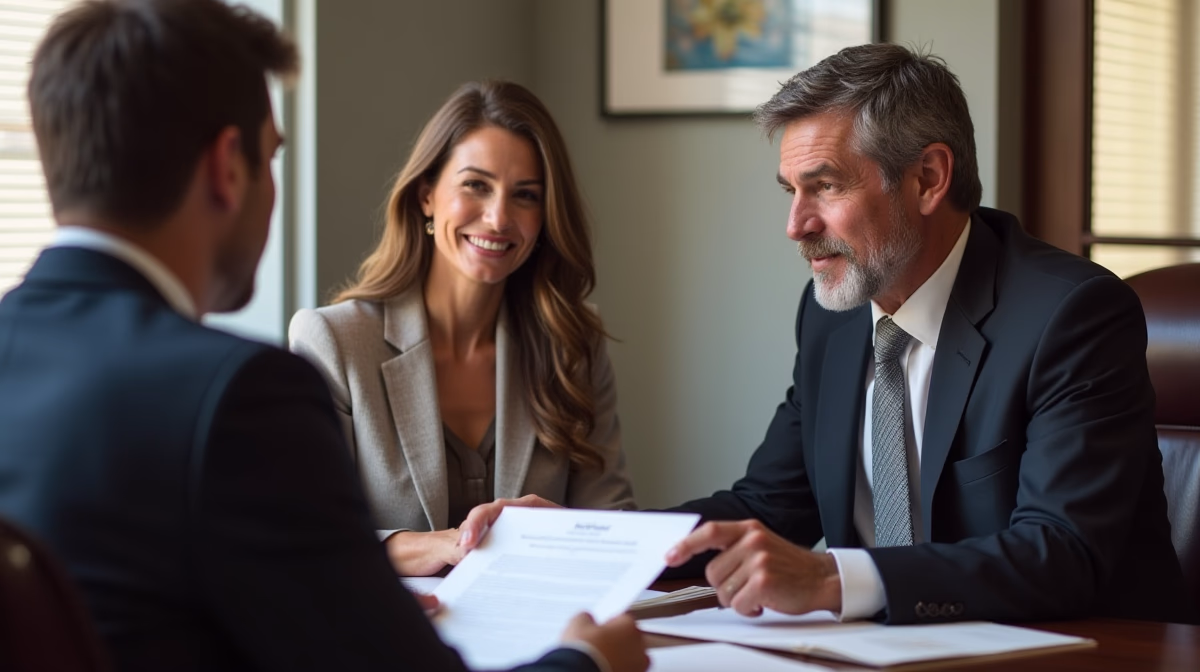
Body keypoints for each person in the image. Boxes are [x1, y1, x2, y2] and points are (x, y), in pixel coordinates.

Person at [0, 2, 647, 671]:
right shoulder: (238, 395)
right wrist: (587, 663)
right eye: (273, 157)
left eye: (526, 195)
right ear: (229, 166)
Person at [460, 43, 1194, 626]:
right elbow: (767, 507)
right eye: (791, 192)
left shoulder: (1070, 315)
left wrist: (829, 576)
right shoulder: (833, 315)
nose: (795, 226)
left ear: (928, 179)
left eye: (827, 186)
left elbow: (1061, 554)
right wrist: (584, 544)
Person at [289, 80, 636, 577]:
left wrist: (565, 535)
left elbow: (612, 524)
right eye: (476, 185)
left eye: (526, 195)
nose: (498, 218)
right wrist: (443, 546)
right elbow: (308, 535)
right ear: (427, 194)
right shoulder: (333, 343)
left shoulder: (573, 345)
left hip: (537, 631)